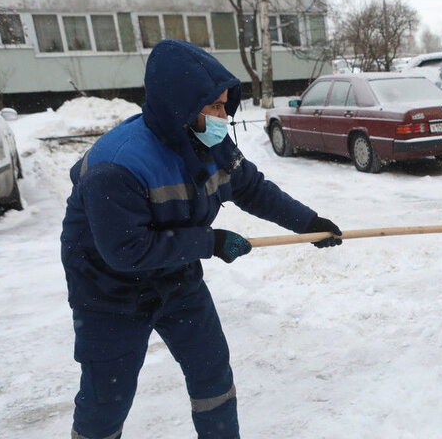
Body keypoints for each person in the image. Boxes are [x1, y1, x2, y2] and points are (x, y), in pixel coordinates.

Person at [60, 39, 343, 439]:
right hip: (108, 290)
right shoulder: (116, 165)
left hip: (176, 277)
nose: (223, 116)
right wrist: (209, 243)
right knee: (108, 396)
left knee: (212, 372)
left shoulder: (210, 142)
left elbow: (251, 188)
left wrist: (309, 223)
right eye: (214, 107)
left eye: (226, 105)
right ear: (181, 106)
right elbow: (126, 251)